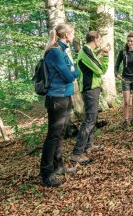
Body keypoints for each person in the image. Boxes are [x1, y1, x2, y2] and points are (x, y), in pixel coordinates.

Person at [40, 23, 79, 187]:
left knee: (60, 133)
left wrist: (72, 69)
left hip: (64, 96)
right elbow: (70, 76)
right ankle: (46, 174)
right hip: (57, 98)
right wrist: (72, 69)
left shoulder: (62, 51)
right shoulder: (55, 52)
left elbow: (73, 72)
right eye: (73, 33)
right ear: (66, 35)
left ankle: (59, 165)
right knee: (53, 135)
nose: (74, 36)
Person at [71, 31, 109, 164]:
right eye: (99, 39)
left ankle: (89, 145)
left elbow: (102, 70)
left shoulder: (91, 52)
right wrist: (102, 61)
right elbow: (99, 71)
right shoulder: (86, 51)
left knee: (93, 118)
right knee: (89, 120)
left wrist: (105, 57)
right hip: (89, 89)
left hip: (94, 88)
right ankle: (77, 153)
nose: (100, 41)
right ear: (94, 39)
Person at [115, 31, 133, 130]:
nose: (129, 43)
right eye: (128, 41)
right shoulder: (123, 52)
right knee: (126, 101)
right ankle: (125, 120)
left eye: (131, 41)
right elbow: (116, 65)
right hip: (126, 79)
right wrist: (116, 74)